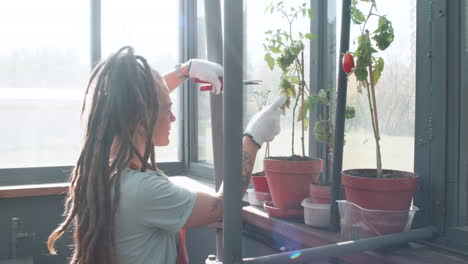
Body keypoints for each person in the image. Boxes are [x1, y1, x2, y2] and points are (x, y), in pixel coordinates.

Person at [47, 46, 286, 264]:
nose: (173, 118)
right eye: (168, 109)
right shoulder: (143, 190)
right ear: (141, 120)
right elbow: (223, 204)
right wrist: (253, 138)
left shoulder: (108, 166)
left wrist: (186, 71)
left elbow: (135, 101)